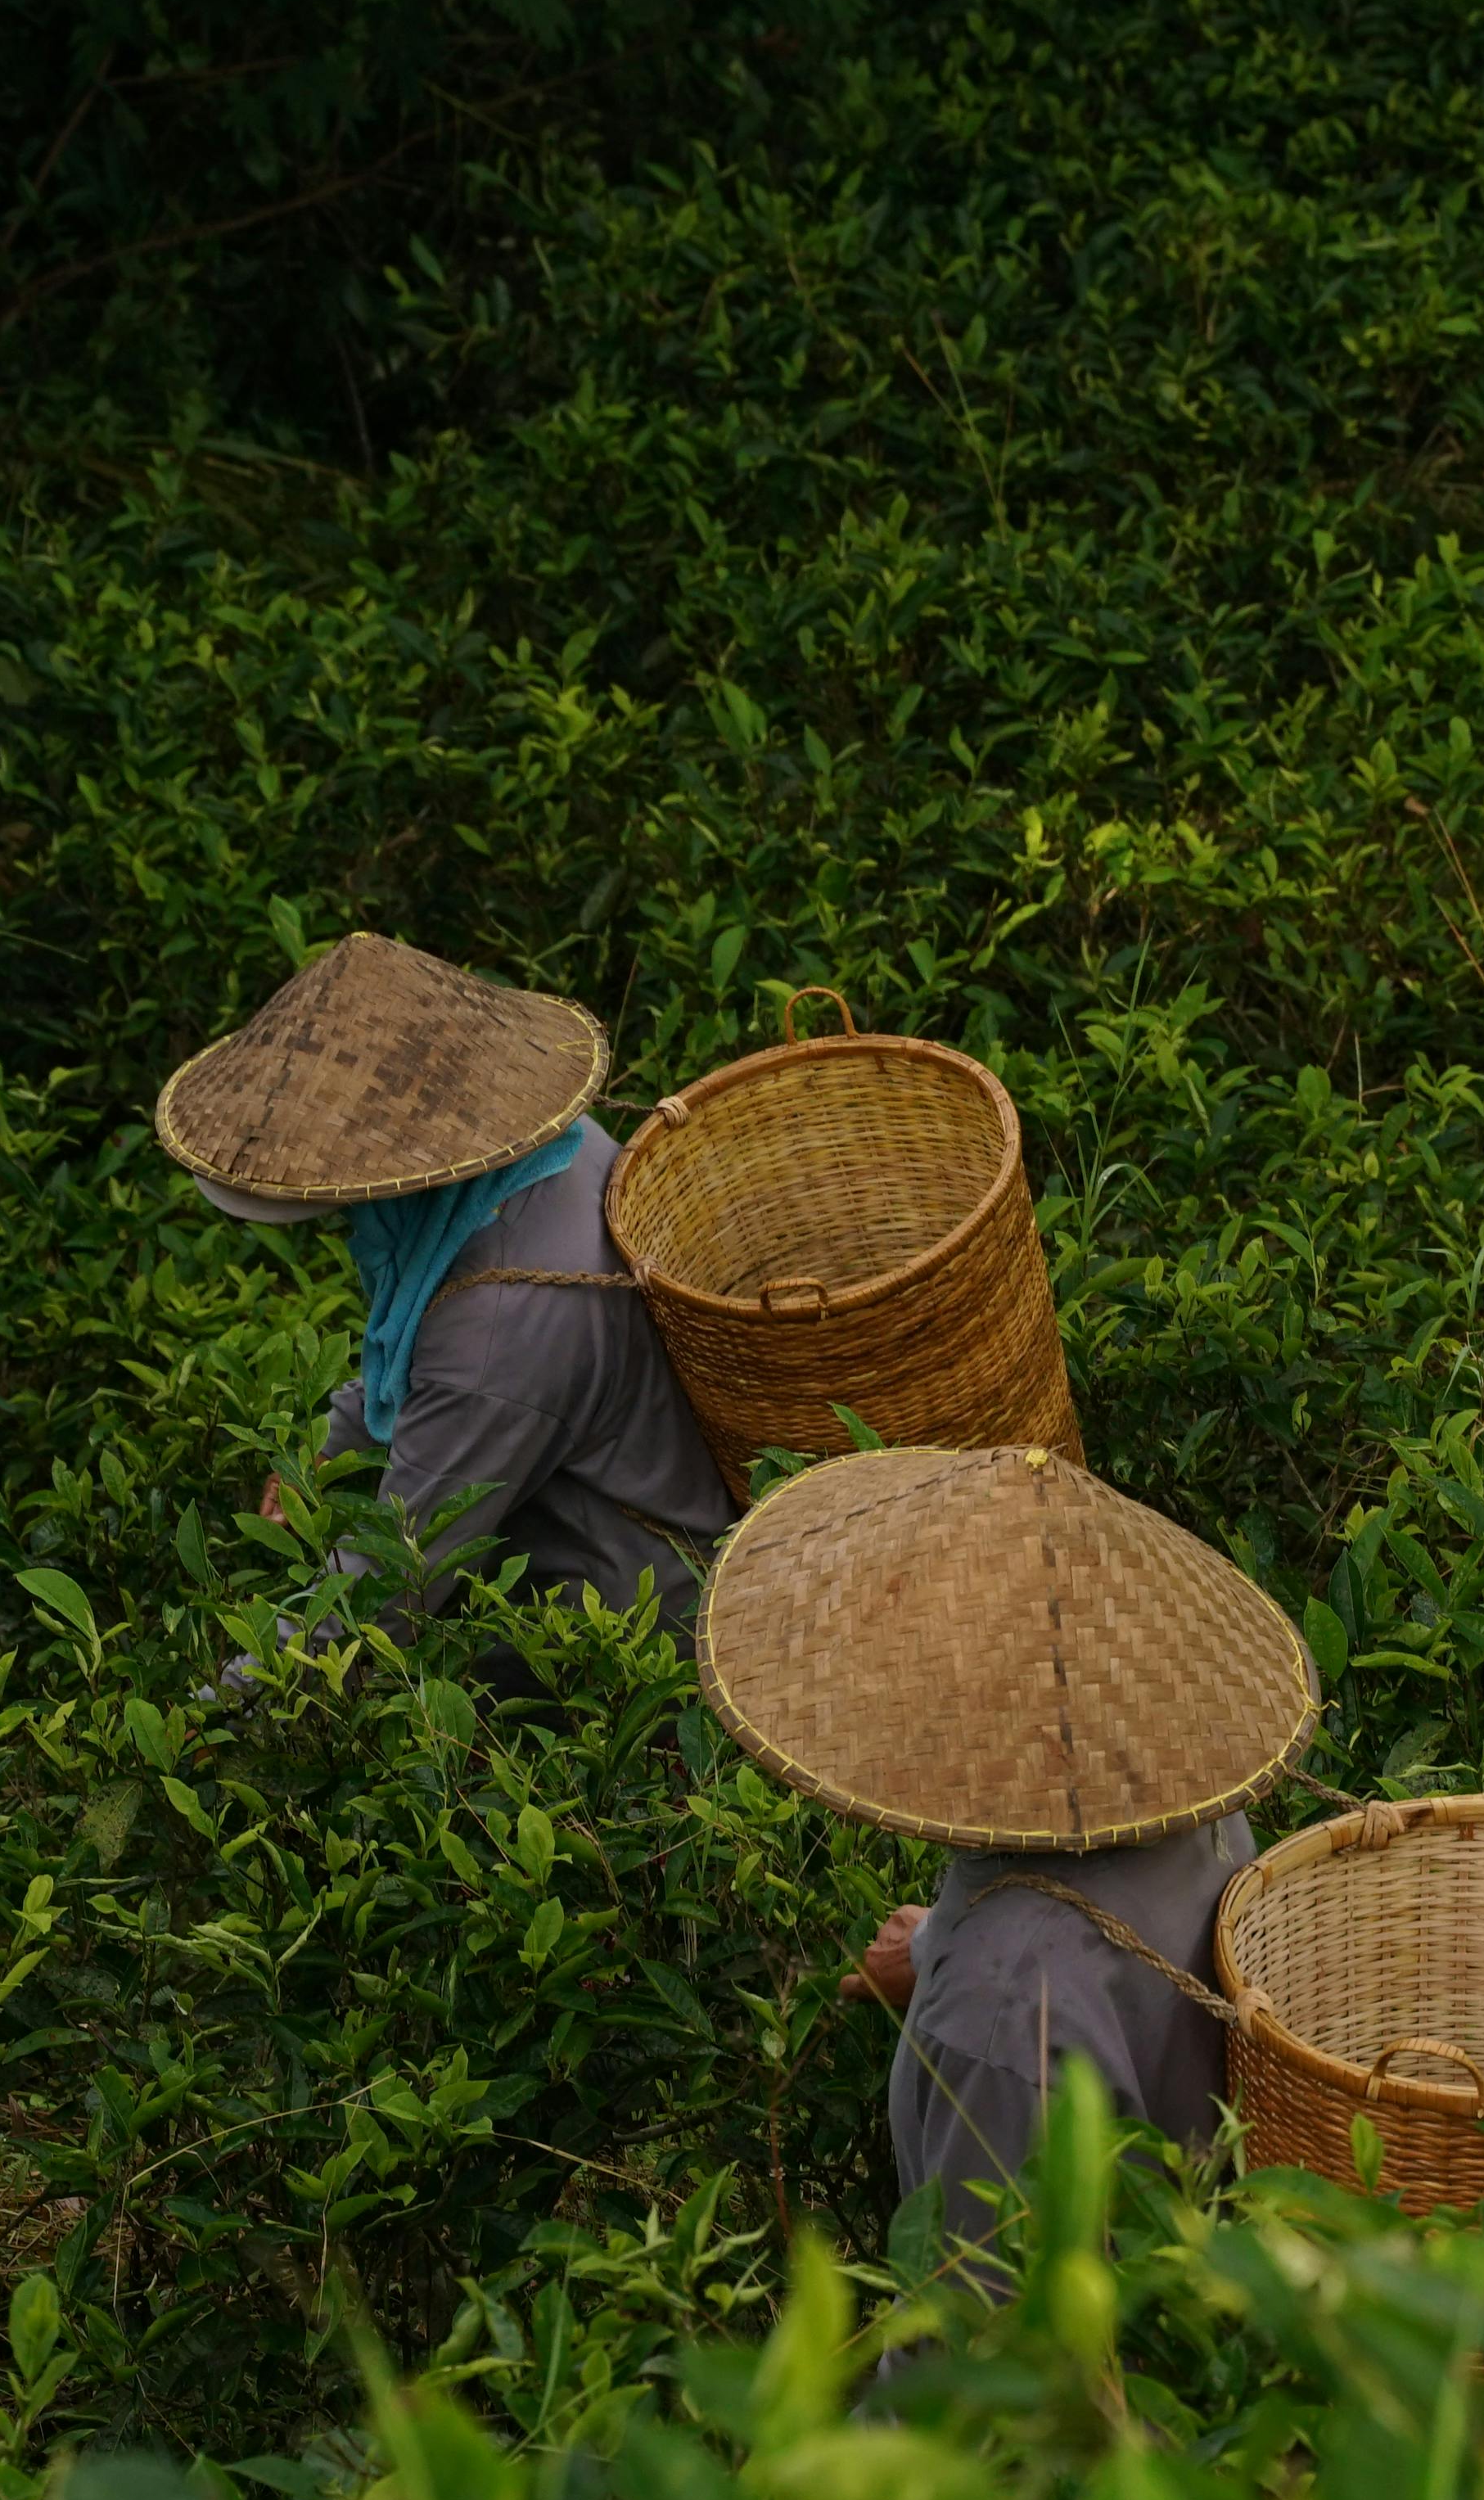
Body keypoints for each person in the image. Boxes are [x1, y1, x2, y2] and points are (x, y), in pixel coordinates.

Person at [694, 1440, 1317, 2264]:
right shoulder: (1194, 1808)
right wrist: (936, 1943)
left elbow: (976, 2355)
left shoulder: (995, 2014)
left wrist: (967, 1969)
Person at [155, 932, 732, 1640]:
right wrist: (333, 1448)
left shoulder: (499, 1334)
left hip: (627, 1640)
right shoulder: (546, 1147)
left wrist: (227, 1712)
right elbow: (418, 1325)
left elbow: (388, 1594)